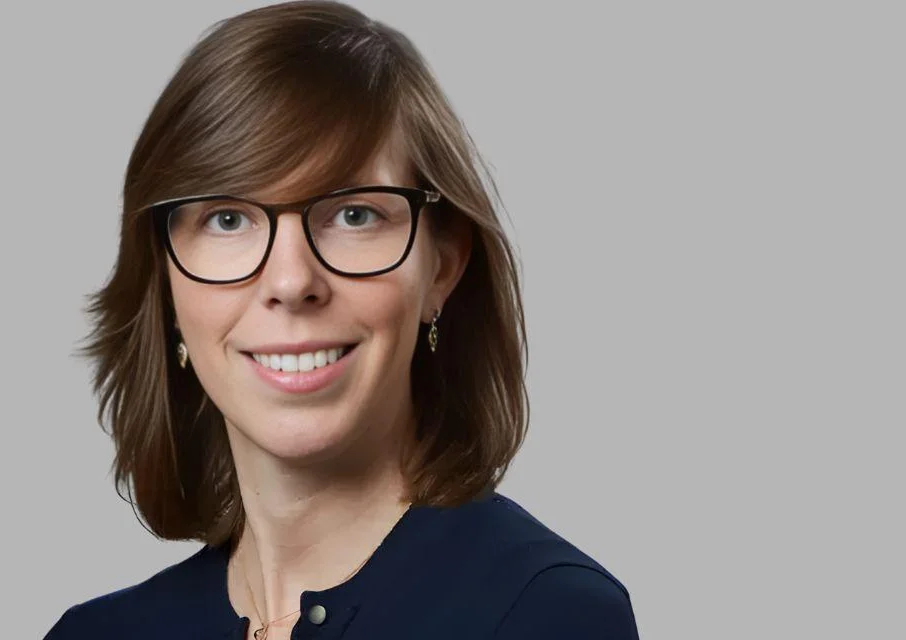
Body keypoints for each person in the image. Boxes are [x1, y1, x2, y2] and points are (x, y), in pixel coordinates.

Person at [45, 2, 639, 638]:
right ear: (165, 281)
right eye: (228, 218)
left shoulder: (546, 614)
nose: (291, 282)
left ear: (441, 268)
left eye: (355, 214)